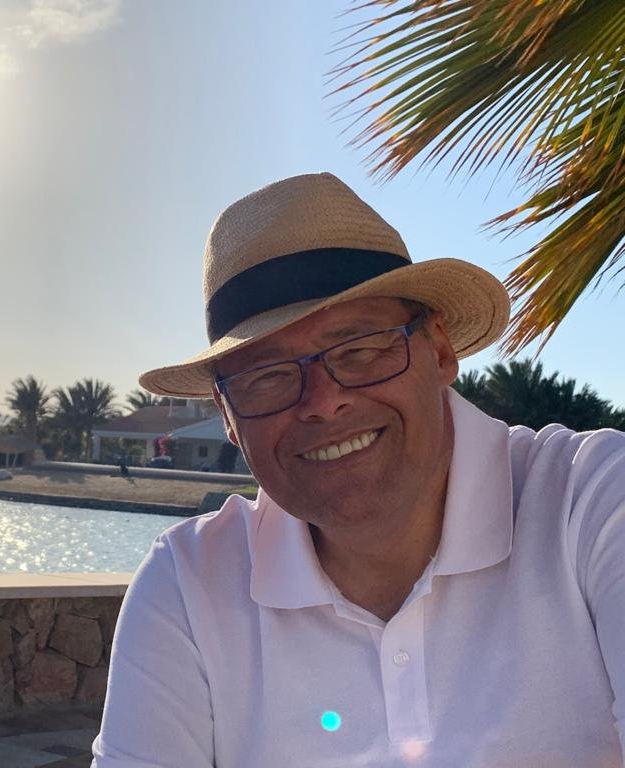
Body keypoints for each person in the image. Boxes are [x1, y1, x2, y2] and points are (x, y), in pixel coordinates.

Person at [91, 173, 625, 767]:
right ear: (228, 417)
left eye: (362, 348)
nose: (322, 402)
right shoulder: (189, 582)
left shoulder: (594, 500)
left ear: (439, 351)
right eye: (266, 376)